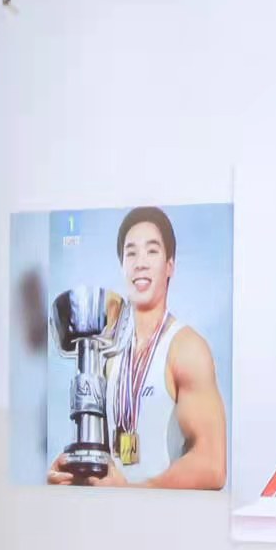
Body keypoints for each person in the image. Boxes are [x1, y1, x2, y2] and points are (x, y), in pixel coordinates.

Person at [48, 205, 227, 489]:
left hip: (160, 515)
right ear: (122, 266)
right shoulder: (105, 351)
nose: (140, 263)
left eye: (151, 251)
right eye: (131, 253)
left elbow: (211, 465)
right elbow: (104, 458)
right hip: (107, 512)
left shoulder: (186, 348)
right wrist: (71, 471)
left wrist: (132, 492)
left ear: (170, 265)